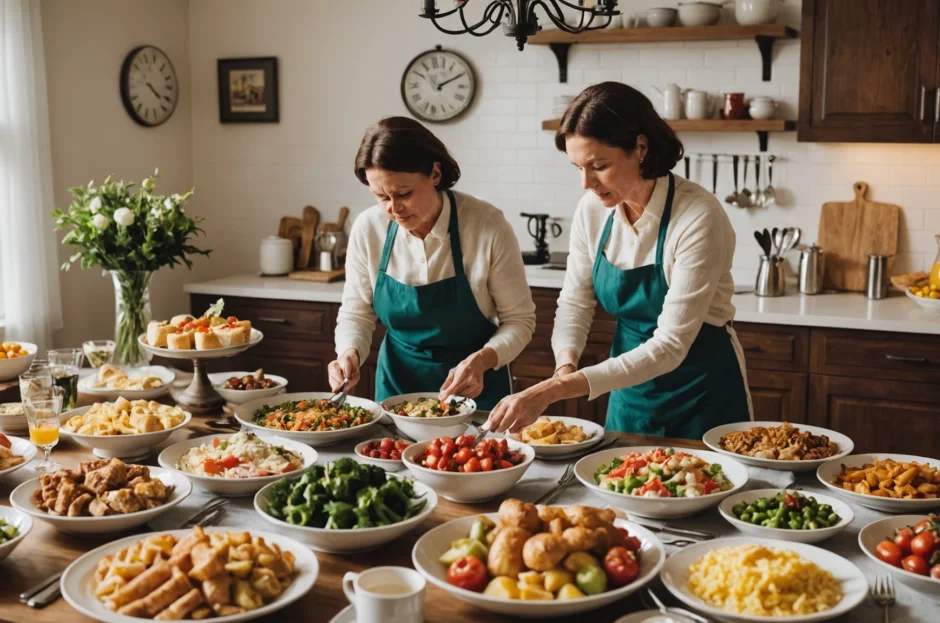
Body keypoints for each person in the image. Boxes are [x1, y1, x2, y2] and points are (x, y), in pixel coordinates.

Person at [486, 82, 752, 438]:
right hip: (628, 386)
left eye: (598, 165)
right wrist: (565, 367)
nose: (586, 183)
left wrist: (554, 390)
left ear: (640, 148)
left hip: (703, 389)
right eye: (577, 167)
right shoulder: (593, 211)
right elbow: (574, 303)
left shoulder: (698, 216)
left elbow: (671, 345)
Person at [329, 116, 536, 409]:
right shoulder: (368, 228)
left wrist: (482, 360)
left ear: (435, 174)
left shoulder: (485, 225)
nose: (394, 208)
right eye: (381, 197)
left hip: (475, 388)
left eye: (403, 194)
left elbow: (520, 321)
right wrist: (348, 353)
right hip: (396, 388)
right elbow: (357, 312)